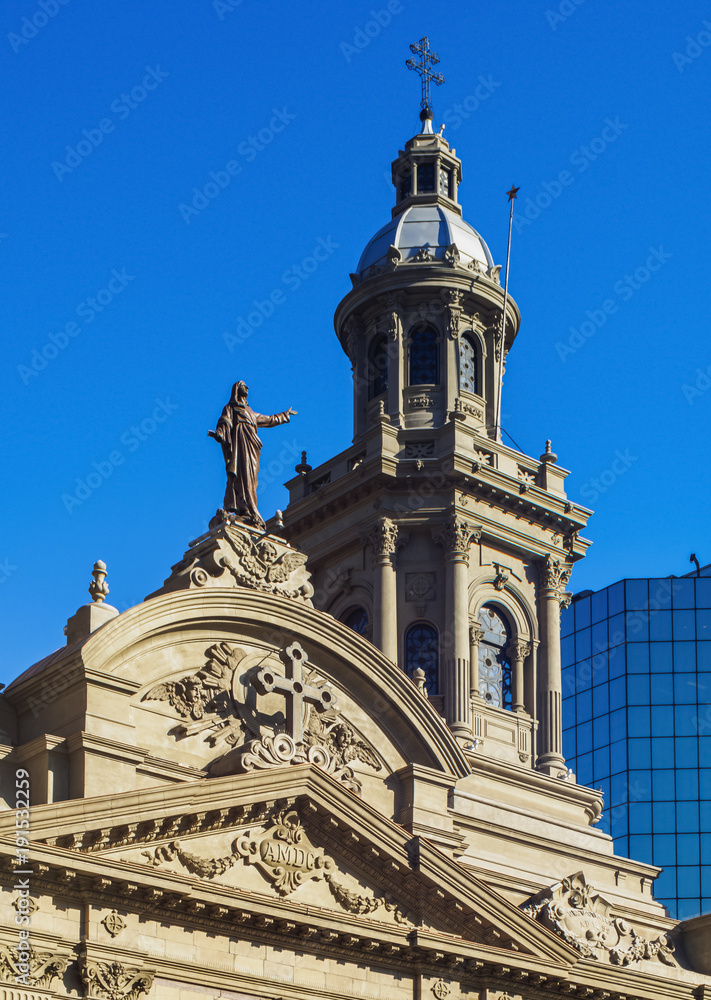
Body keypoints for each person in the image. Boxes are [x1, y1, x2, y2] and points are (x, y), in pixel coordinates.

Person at [208, 381, 297, 530]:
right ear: (237, 389)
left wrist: (284, 415)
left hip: (252, 447)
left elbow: (269, 420)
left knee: (252, 480)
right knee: (243, 477)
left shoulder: (250, 412)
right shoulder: (231, 408)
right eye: (243, 385)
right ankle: (248, 510)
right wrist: (220, 433)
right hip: (239, 444)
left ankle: (247, 509)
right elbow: (224, 422)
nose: (247, 387)